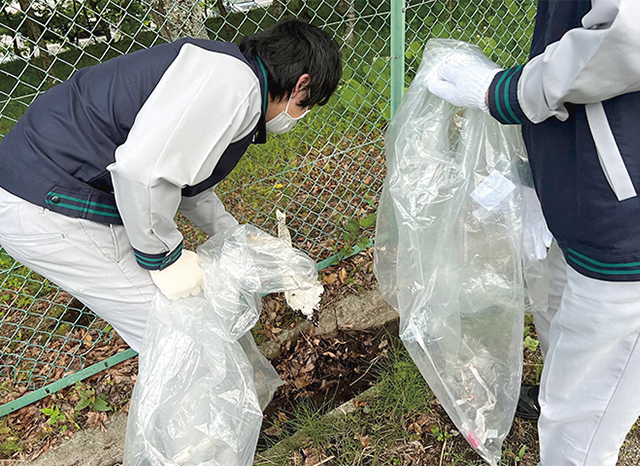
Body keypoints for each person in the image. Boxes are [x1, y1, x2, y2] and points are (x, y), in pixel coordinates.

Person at [0, 19, 342, 353]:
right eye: (306, 105)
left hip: (48, 182)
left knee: (185, 325)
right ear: (300, 84)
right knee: (179, 331)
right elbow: (142, 173)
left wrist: (235, 235)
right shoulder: (235, 87)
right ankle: (205, 411)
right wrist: (163, 259)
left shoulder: (228, 74)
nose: (300, 116)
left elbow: (187, 185)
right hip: (47, 198)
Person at [428, 1, 640, 464]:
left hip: (623, 235)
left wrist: (505, 91)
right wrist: (533, 178)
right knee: (562, 352)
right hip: (586, 209)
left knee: (578, 436)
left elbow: (625, 36)